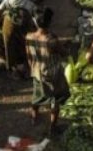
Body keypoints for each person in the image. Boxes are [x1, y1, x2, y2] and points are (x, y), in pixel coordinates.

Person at [25, 8, 70, 136]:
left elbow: (28, 55)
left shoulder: (28, 36)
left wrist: (32, 68)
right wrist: (66, 49)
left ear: (35, 22)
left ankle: (34, 115)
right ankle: (53, 128)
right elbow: (63, 53)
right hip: (52, 74)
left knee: (37, 95)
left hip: (37, 72)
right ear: (50, 22)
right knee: (56, 100)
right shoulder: (51, 40)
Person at [0, 0, 36, 78]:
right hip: (23, 23)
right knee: (24, 45)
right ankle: (27, 69)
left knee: (8, 45)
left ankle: (12, 70)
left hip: (9, 22)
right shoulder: (32, 5)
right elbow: (36, 23)